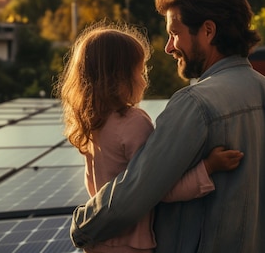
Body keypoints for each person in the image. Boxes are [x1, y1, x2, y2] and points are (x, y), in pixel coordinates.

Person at [70, 0, 265, 253]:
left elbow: (135, 194)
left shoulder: (194, 105)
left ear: (208, 31)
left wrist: (82, 225)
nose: (169, 47)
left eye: (174, 33)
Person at [57, 22, 244, 253]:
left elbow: (97, 187)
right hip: (130, 245)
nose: (144, 79)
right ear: (122, 76)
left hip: (99, 241)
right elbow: (158, 188)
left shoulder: (91, 124)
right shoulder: (133, 122)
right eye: (140, 70)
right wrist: (208, 167)